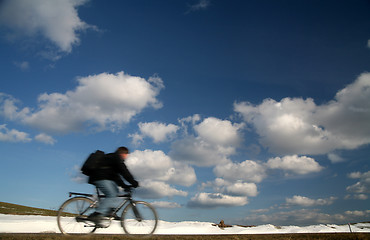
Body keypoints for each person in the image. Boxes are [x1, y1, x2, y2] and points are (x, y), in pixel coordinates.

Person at [88, 146, 139, 225]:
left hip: (101, 177)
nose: (127, 157)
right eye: (127, 155)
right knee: (111, 194)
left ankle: (109, 211)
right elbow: (124, 172)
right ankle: (96, 215)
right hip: (99, 177)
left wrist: (124, 186)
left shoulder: (113, 158)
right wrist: (133, 182)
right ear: (123, 153)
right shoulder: (116, 158)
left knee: (115, 191)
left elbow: (116, 176)